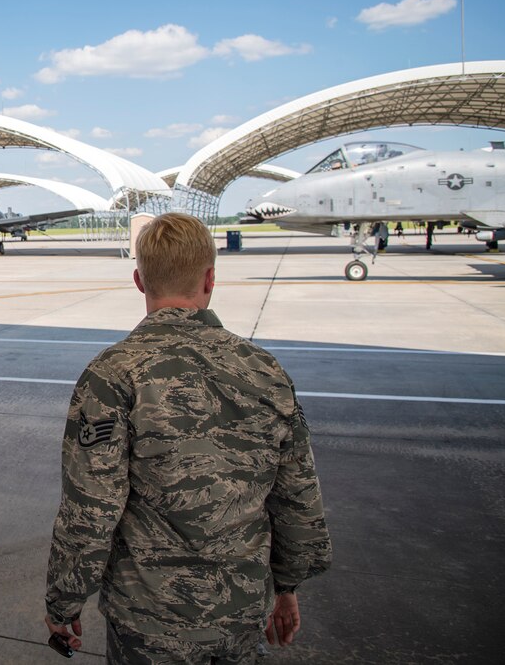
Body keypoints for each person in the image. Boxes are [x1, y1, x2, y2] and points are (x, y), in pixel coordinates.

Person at [44, 213, 332, 664]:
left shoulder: (114, 374)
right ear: (211, 278)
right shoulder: (265, 370)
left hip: (148, 619)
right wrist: (287, 585)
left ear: (139, 280)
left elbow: (90, 507)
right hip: (241, 608)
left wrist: (64, 600)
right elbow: (297, 494)